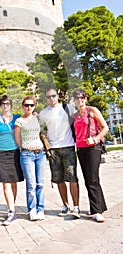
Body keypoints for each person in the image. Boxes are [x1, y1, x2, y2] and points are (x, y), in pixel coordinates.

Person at [39, 87, 80, 218]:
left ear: (58, 96)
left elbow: (79, 120)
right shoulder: (43, 113)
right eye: (49, 97)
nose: (51, 98)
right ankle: (65, 205)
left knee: (72, 178)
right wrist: (46, 145)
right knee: (59, 179)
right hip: (53, 150)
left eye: (53, 96)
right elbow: (40, 129)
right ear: (46, 98)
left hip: (68, 146)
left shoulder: (67, 108)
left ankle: (76, 207)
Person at [72, 89, 108, 223]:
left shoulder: (92, 110)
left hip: (93, 148)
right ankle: (100, 205)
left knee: (92, 179)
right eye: (76, 98)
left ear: (85, 99)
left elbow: (105, 128)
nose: (79, 100)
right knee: (89, 179)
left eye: (81, 98)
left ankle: (96, 211)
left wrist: (95, 138)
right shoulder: (75, 115)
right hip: (81, 149)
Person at [0, 95, 24, 226]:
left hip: (14, 152)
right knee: (6, 183)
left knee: (14, 181)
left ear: (11, 105)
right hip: (0, 153)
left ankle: (12, 206)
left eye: (8, 103)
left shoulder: (16, 118)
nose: (5, 106)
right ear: (0, 105)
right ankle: (11, 211)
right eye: (3, 103)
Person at [15, 95, 46, 221]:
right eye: (26, 105)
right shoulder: (19, 121)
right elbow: (17, 138)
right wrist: (24, 147)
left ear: (34, 106)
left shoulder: (37, 118)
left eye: (31, 105)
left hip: (40, 153)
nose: (29, 107)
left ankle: (41, 209)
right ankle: (32, 209)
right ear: (23, 106)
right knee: (31, 184)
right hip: (27, 154)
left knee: (40, 183)